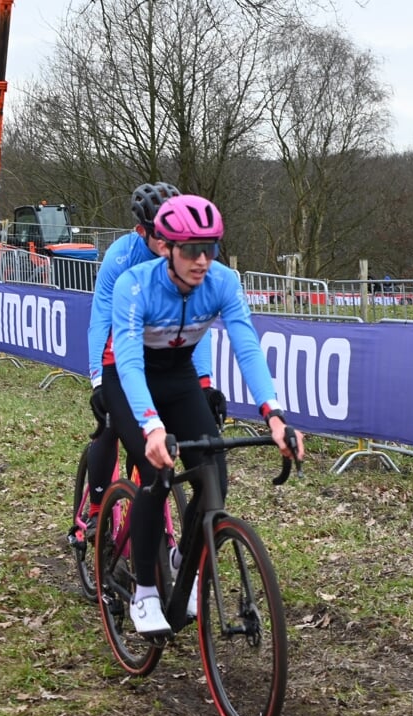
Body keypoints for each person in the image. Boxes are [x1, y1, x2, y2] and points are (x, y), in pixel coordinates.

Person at [104, 194, 303, 634]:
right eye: (191, 250)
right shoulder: (135, 285)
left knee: (214, 472)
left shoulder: (224, 282)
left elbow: (247, 346)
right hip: (129, 378)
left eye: (210, 249)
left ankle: (185, 559)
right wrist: (152, 426)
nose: (202, 260)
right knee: (155, 472)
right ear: (167, 248)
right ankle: (144, 593)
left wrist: (274, 414)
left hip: (177, 376)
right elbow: (131, 363)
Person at [76, 182, 225, 543]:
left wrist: (204, 383)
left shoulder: (185, 259)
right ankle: (97, 512)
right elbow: (101, 320)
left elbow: (194, 328)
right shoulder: (122, 258)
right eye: (160, 232)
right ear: (140, 230)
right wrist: (98, 379)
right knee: (110, 427)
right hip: (122, 354)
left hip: (170, 362)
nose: (170, 239)